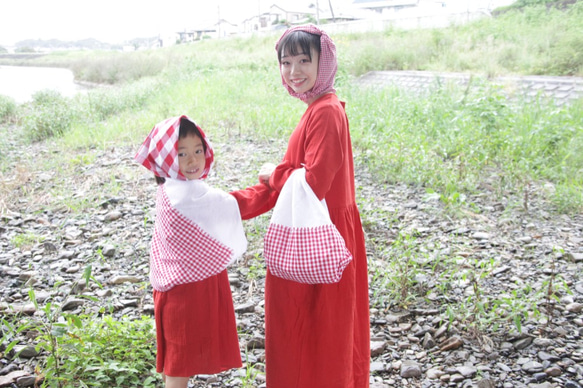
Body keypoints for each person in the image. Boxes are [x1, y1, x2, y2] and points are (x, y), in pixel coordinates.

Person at [230, 24, 370, 388]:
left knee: (320, 333)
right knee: (320, 333)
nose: (294, 71)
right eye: (286, 62)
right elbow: (292, 184)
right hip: (319, 227)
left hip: (319, 235)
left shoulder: (325, 111)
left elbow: (311, 183)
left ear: (324, 62)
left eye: (304, 60)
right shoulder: (319, 107)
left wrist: (273, 173)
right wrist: (230, 205)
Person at [134, 115, 247, 388]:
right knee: (179, 359)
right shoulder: (187, 194)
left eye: (198, 150)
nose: (193, 160)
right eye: (181, 154)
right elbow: (237, 205)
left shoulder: (171, 188)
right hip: (184, 290)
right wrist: (274, 187)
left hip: (170, 284)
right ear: (165, 160)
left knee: (174, 354)